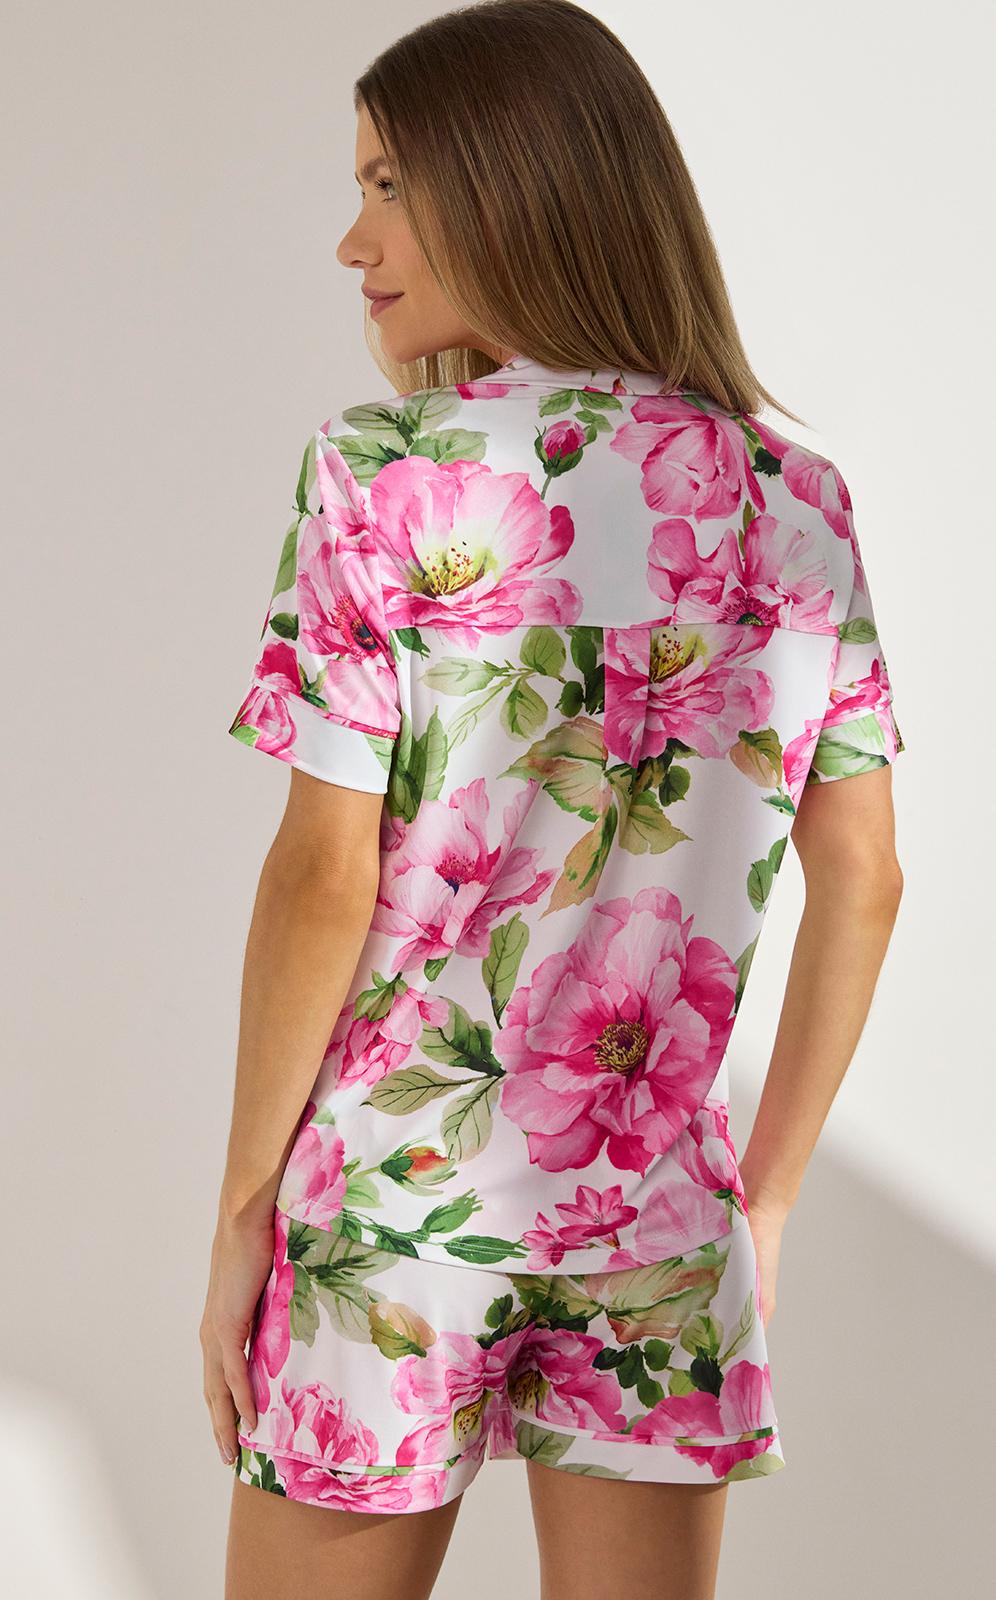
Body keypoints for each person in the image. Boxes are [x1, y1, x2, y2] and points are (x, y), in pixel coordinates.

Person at [200, 3, 904, 1597]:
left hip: (393, 1212)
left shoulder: (382, 477)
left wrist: (245, 1209)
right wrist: (765, 1201)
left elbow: (324, 877)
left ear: (506, 185)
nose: (352, 240)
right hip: (659, 1216)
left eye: (387, 185)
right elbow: (865, 877)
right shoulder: (796, 501)